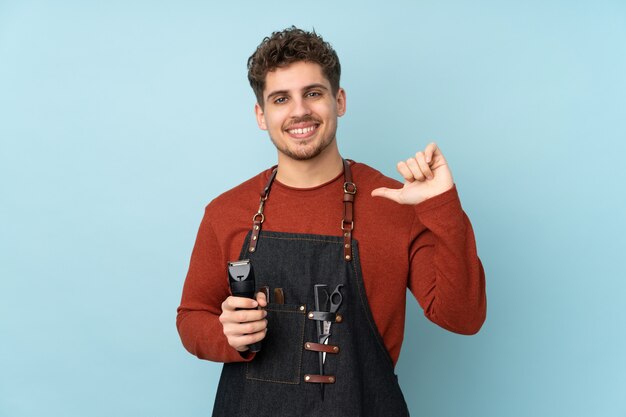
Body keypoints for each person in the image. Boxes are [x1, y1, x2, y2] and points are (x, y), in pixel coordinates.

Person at [176, 26, 486, 417]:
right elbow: (191, 317)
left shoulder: (397, 203)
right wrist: (227, 335)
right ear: (261, 114)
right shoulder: (225, 212)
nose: (299, 111)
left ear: (339, 100)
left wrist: (442, 206)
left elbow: (464, 317)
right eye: (280, 98)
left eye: (313, 93)